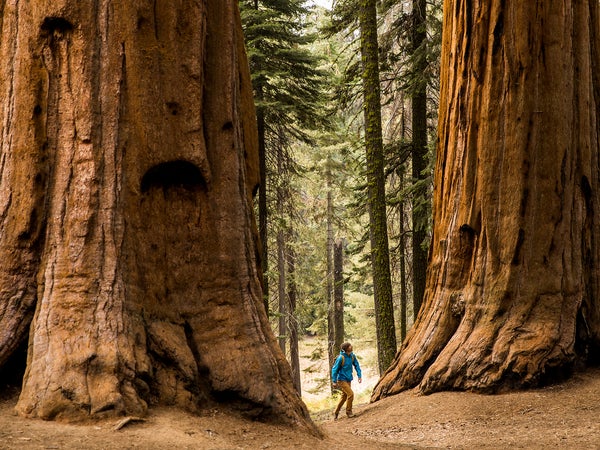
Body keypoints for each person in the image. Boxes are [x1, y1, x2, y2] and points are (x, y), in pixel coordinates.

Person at [331, 342, 362, 419]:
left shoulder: (352, 356)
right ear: (346, 348)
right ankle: (349, 412)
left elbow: (357, 365)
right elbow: (334, 369)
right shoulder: (341, 358)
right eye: (349, 346)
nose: (351, 346)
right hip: (341, 379)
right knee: (351, 394)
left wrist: (359, 375)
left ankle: (336, 412)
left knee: (344, 397)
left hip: (348, 379)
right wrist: (334, 381)